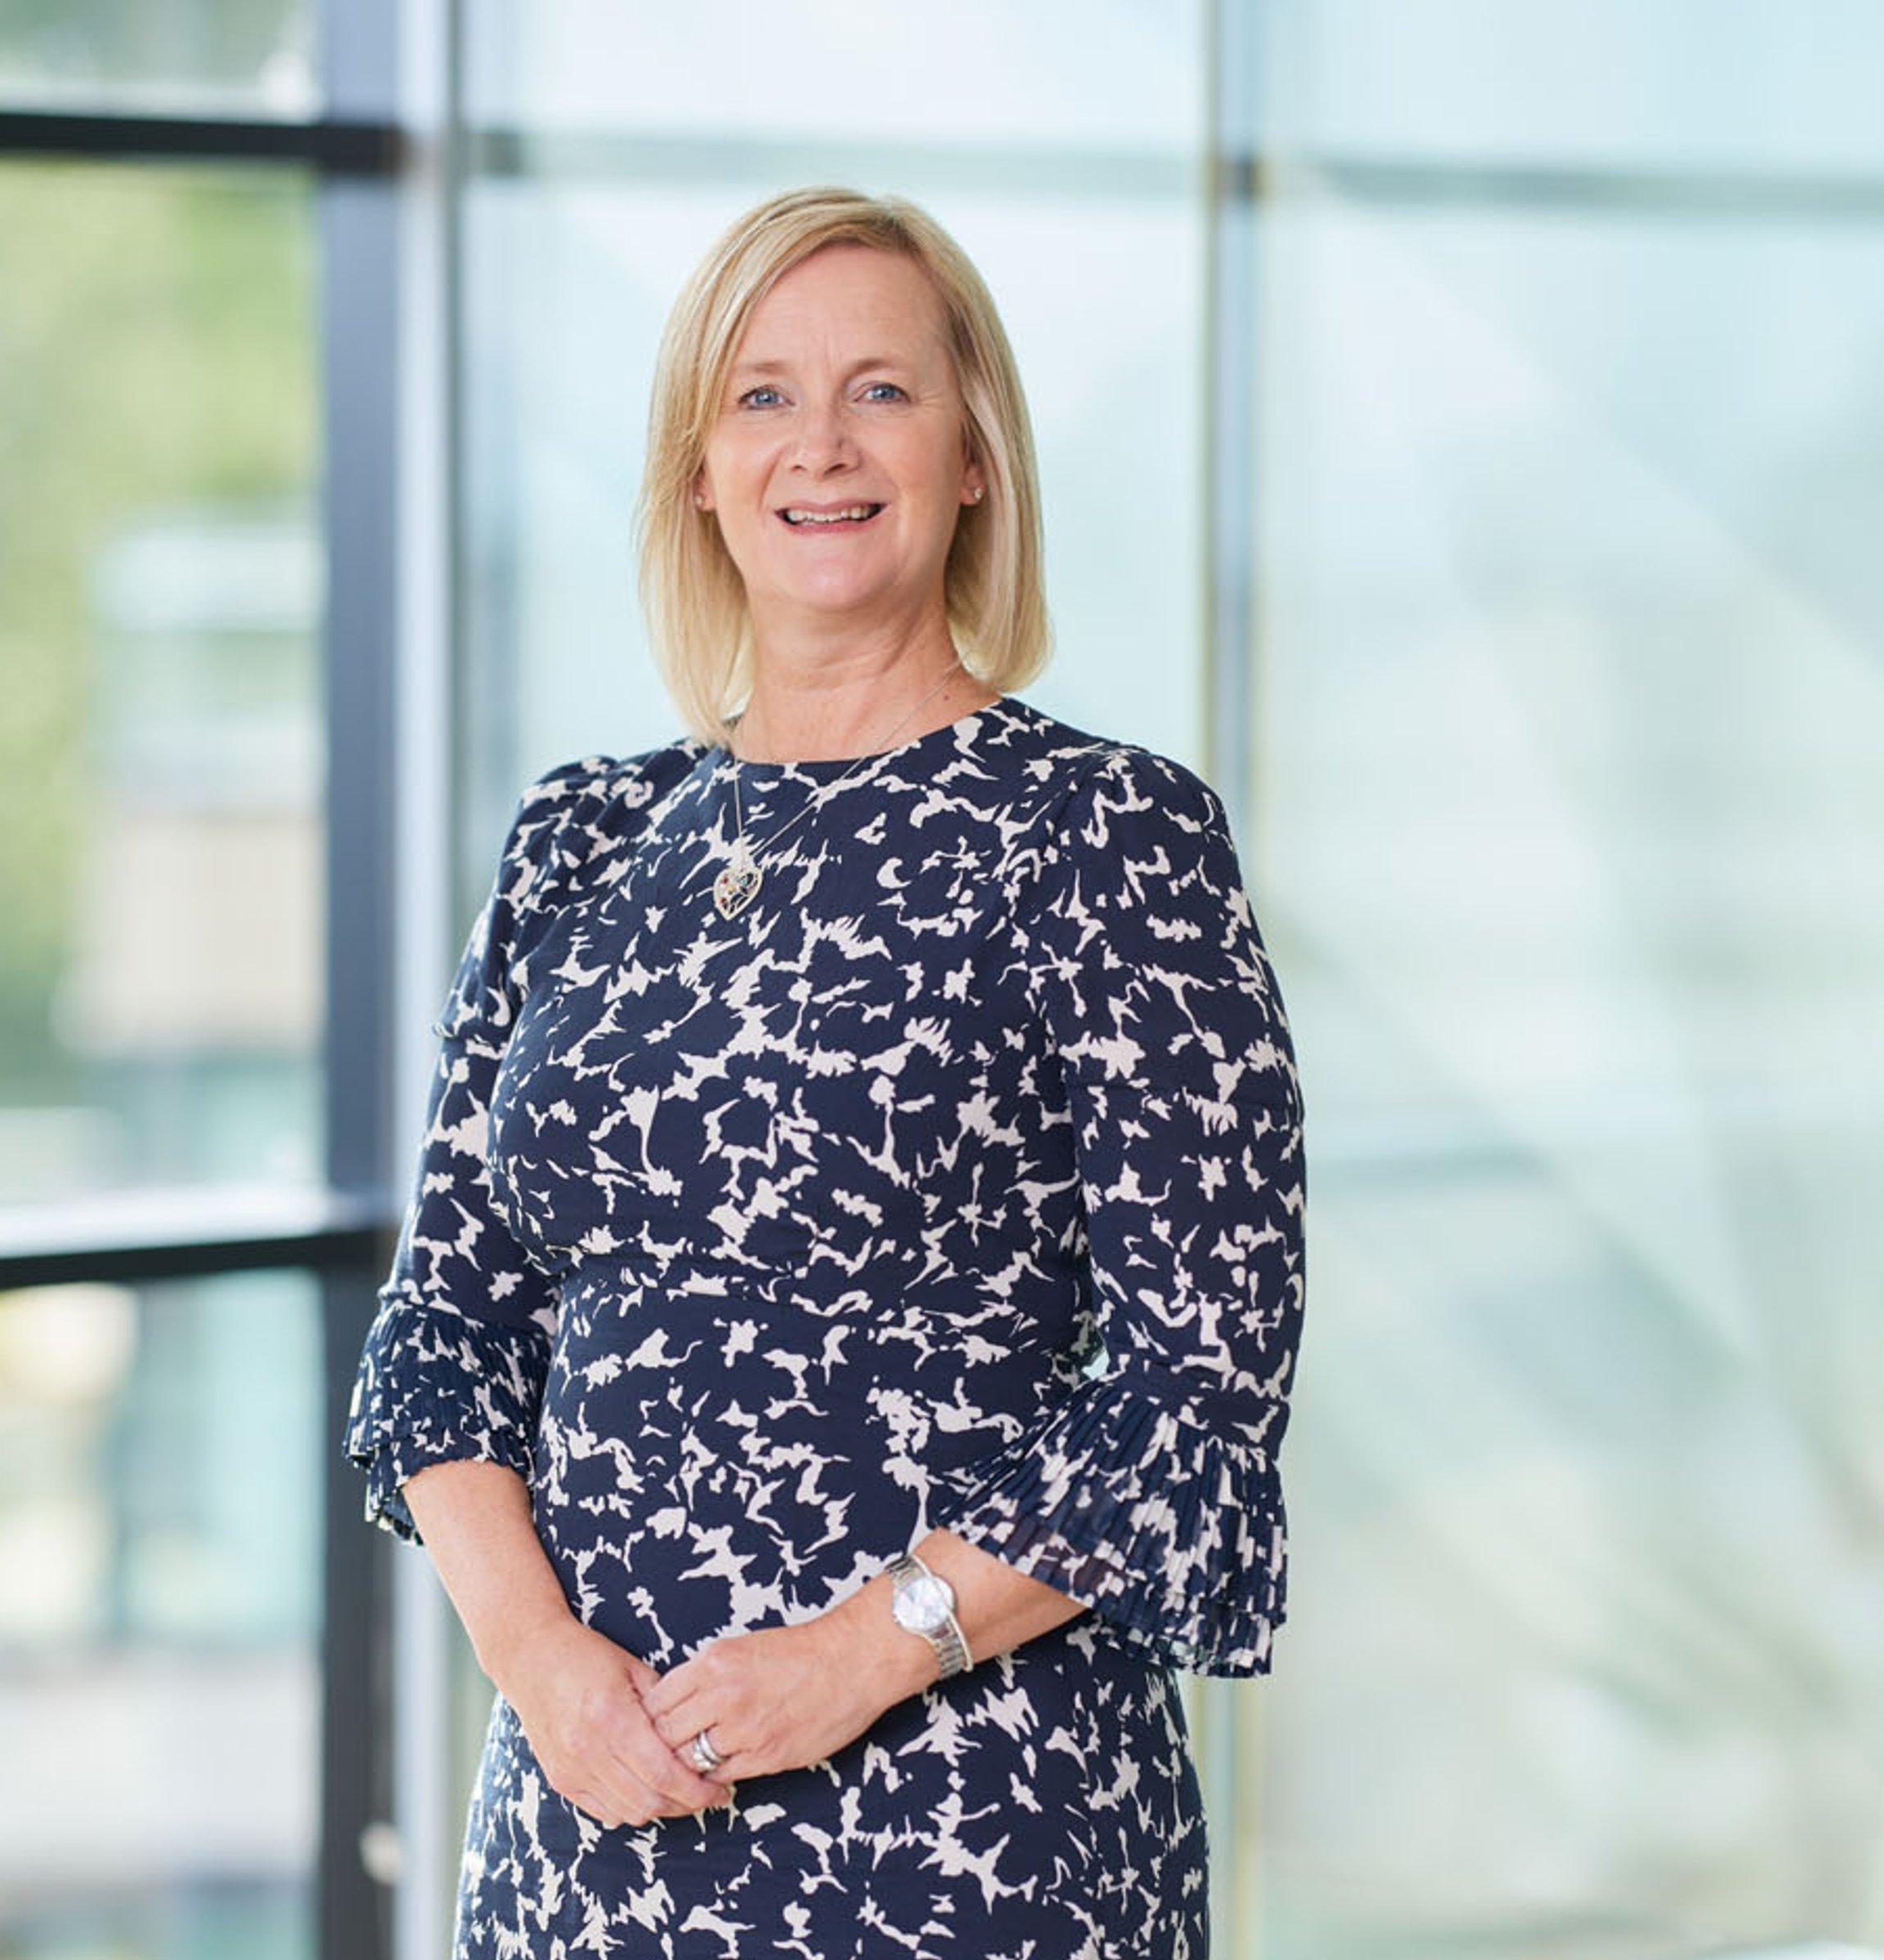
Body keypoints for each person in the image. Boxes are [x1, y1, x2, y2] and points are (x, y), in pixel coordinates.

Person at [345, 185, 1306, 1958]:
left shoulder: (1106, 836)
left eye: (882, 391)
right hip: (587, 1832)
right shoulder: (579, 839)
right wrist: (544, 1667)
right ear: (699, 468)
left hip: (971, 1830)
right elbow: (444, 1331)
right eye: (763, 396)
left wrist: (860, 1658)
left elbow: (1195, 1399)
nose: (821, 445)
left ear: (972, 460)